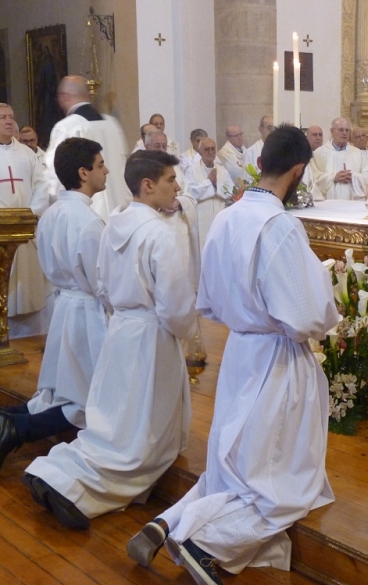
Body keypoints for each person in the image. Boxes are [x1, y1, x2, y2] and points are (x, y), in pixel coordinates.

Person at [127, 125, 339, 584]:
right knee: (282, 482)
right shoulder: (279, 225)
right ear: (299, 171)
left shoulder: (226, 217)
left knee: (237, 469)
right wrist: (327, 285)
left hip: (240, 352)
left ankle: (169, 521)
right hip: (277, 359)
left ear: (260, 163)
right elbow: (305, 316)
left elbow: (212, 296)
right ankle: (207, 544)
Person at [23, 150, 197, 529]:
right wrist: (188, 335)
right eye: (170, 180)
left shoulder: (114, 223)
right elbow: (175, 307)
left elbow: (101, 283)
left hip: (120, 329)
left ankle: (57, 470)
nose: (177, 187)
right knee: (141, 440)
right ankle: (76, 490)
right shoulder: (158, 233)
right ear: (148, 185)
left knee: (113, 423)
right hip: (151, 337)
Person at [0, 137, 110, 470]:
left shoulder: (51, 214)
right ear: (83, 172)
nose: (106, 171)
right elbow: (101, 282)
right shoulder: (89, 222)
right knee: (85, 397)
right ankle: (16, 428)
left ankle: (8, 419)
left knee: (58, 390)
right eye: (101, 164)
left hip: (63, 307)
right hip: (88, 314)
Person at [43, 75, 131, 221]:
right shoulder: (112, 124)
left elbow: (56, 174)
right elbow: (124, 164)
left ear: (64, 96)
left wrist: (51, 210)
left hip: (86, 213)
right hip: (120, 211)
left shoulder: (67, 127)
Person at [0, 104, 51, 330]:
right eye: (2, 118)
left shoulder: (27, 153)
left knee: (28, 291)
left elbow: (41, 185)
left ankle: (29, 336)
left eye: (11, 117)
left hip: (25, 228)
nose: (9, 121)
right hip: (1, 231)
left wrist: (31, 214)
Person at [146, 130, 200, 286]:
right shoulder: (142, 168)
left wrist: (179, 202)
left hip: (176, 225)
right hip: (154, 224)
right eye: (158, 146)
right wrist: (160, 205)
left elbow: (190, 196)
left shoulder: (175, 169)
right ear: (148, 146)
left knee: (178, 274)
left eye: (164, 146)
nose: (162, 150)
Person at [186, 137, 234, 251]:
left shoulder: (222, 170)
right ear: (200, 151)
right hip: (201, 217)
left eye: (213, 149)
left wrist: (217, 184)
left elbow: (232, 191)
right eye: (207, 149)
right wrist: (208, 182)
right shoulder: (191, 171)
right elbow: (190, 193)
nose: (211, 152)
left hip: (219, 215)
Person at [311, 117, 368, 200]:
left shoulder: (359, 154)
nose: (344, 133)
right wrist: (333, 177)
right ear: (332, 131)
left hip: (353, 205)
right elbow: (313, 178)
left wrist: (353, 177)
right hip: (328, 205)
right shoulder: (319, 153)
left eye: (347, 130)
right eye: (341, 130)